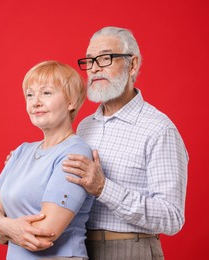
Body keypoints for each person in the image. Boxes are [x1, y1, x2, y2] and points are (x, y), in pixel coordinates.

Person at [61, 26, 189, 259]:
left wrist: (103, 188)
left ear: (133, 65)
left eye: (106, 58)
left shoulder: (159, 129)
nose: (95, 68)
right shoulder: (84, 126)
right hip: (78, 248)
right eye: (90, 61)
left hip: (130, 249)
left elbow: (172, 218)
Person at [0, 61, 94, 260]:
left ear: (71, 102)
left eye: (47, 93)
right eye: (30, 95)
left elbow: (43, 235)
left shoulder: (75, 153)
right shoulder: (20, 152)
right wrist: (8, 228)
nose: (36, 102)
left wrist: (1, 232)